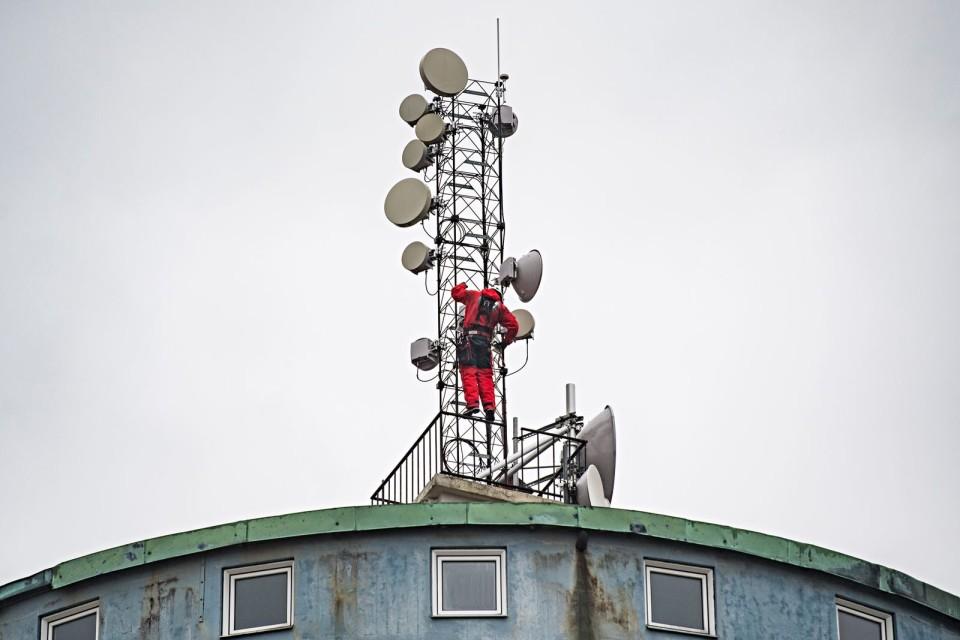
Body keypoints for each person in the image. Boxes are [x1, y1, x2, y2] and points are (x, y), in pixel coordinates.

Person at [451, 282, 519, 422]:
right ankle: (489, 408)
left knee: (469, 372)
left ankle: (473, 404)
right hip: (485, 343)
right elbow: (514, 326)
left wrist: (463, 285)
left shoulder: (473, 295)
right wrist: (505, 342)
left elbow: (455, 294)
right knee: (485, 376)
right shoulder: (499, 307)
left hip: (469, 340)